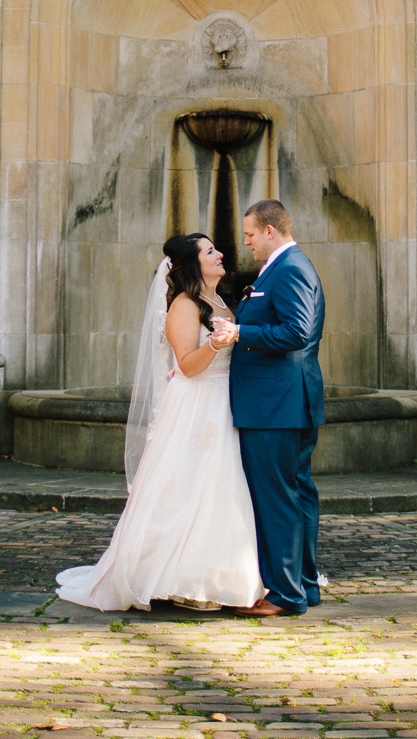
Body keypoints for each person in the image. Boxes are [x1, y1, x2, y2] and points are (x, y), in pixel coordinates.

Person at [53, 234, 265, 612]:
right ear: (192, 264)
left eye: (216, 249)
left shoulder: (218, 302)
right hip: (198, 404)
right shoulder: (184, 305)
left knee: (220, 487)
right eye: (210, 251)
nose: (220, 255)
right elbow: (186, 365)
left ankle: (216, 573)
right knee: (191, 485)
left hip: (222, 402)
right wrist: (215, 346)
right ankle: (180, 580)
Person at [214, 198, 326, 617]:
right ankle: (305, 585)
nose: (246, 244)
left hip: (276, 406)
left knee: (278, 498)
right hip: (283, 403)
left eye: (249, 235)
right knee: (296, 496)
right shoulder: (283, 268)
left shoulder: (291, 268)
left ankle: (284, 594)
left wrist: (241, 331)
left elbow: (297, 332)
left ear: (270, 231)